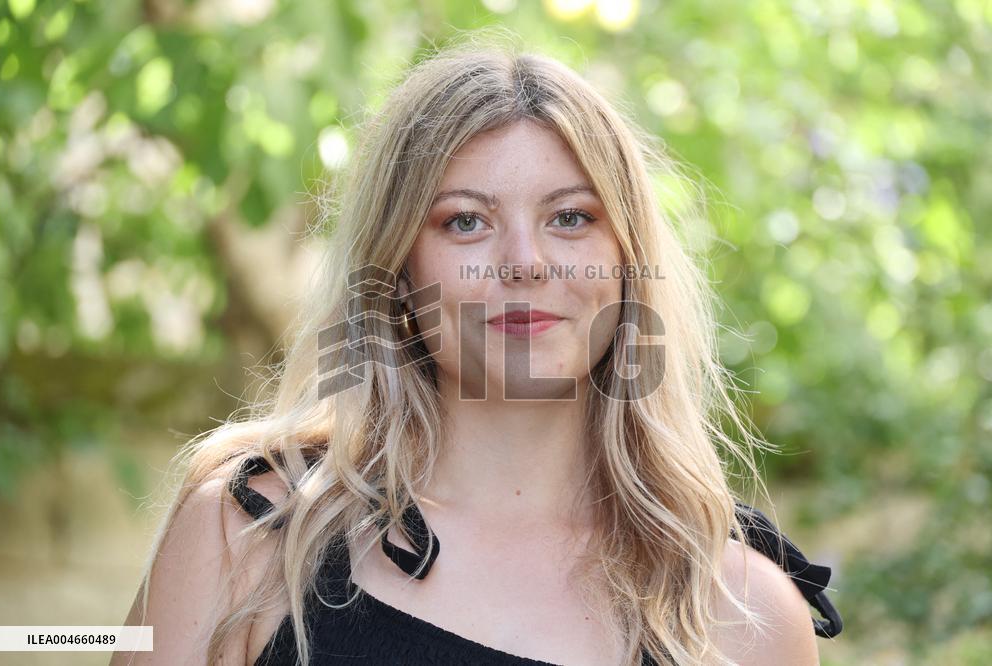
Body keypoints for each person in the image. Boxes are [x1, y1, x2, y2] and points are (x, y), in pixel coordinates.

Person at [112, 36, 839, 666]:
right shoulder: (250, 537)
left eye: (570, 217)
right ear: (398, 272)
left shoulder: (743, 614)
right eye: (465, 222)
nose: (525, 262)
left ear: (628, 262)